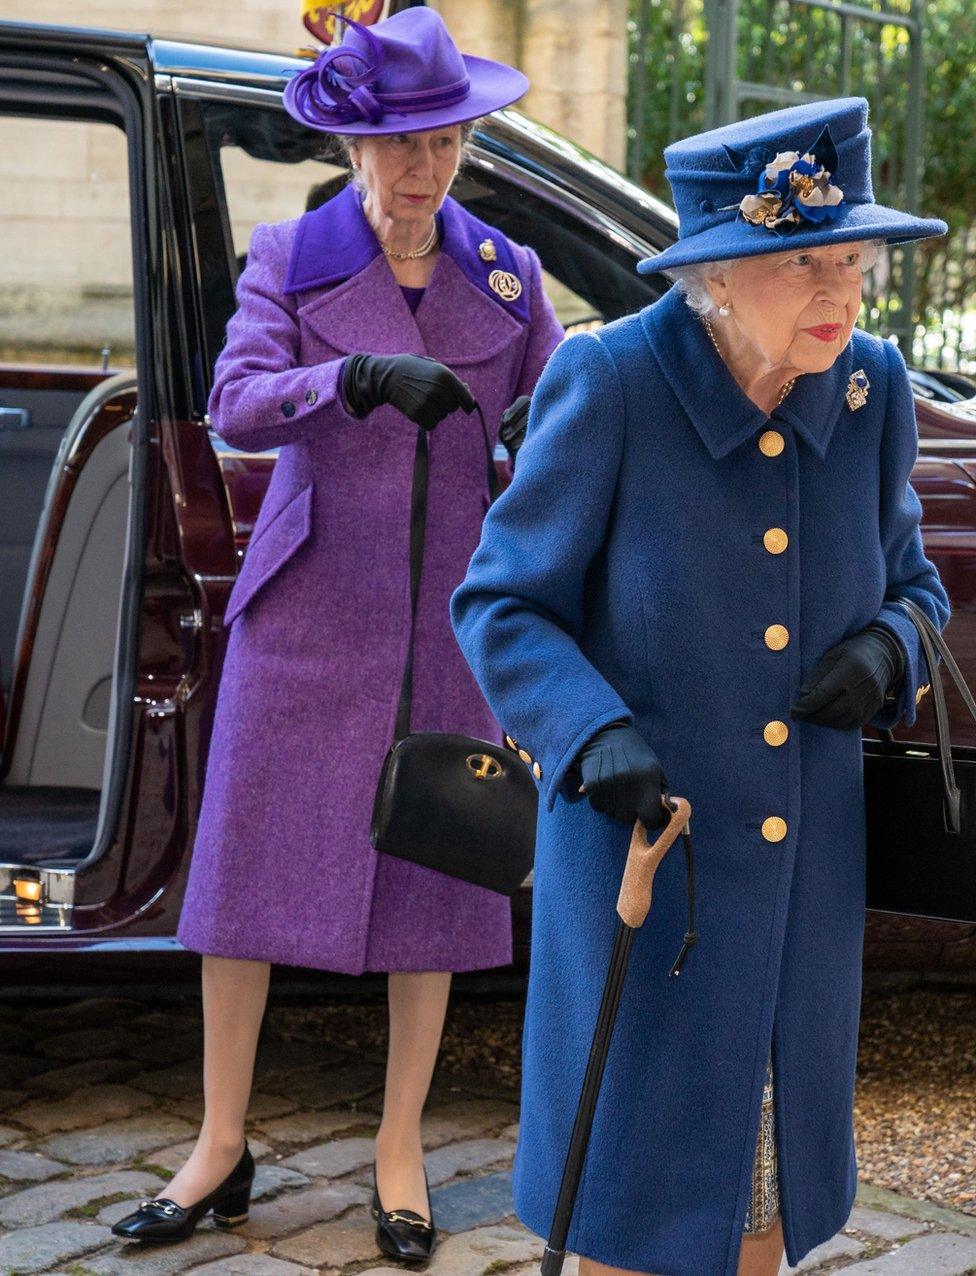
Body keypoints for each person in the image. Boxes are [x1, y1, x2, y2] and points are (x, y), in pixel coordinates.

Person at [449, 96, 950, 1276]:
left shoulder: (868, 389)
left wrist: (889, 648)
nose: (842, 291)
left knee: (762, 1209)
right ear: (717, 278)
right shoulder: (614, 383)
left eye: (853, 259)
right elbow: (500, 600)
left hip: (801, 894)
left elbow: (916, 587)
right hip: (652, 874)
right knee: (633, 1205)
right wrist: (588, 729)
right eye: (804, 263)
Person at [112, 7, 563, 1262]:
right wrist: (349, 381)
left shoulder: (509, 277)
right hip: (306, 617)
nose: (422, 173)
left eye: (445, 142)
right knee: (243, 889)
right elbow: (236, 406)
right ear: (353, 148)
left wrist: (532, 450)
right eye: (399, 147)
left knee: (435, 879)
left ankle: (400, 1147)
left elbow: (569, 411)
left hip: (448, 627)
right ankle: (218, 1145)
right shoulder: (287, 260)